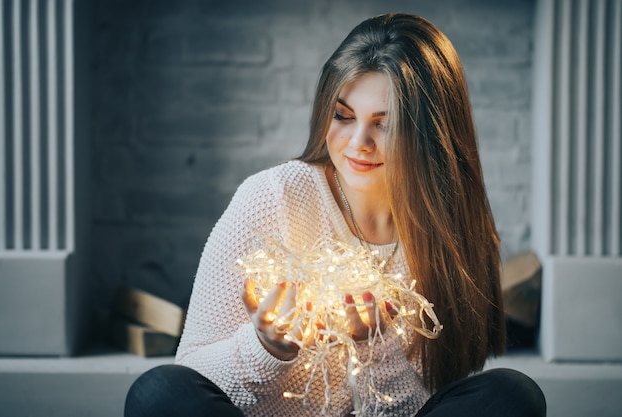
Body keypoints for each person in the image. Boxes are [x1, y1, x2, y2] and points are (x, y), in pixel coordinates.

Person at [125, 13, 546, 417]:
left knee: (512, 395)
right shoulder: (273, 197)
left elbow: (416, 410)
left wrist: (376, 351)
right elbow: (190, 373)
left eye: (386, 124)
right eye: (343, 116)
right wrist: (265, 348)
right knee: (158, 392)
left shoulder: (450, 239)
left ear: (433, 136)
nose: (358, 143)